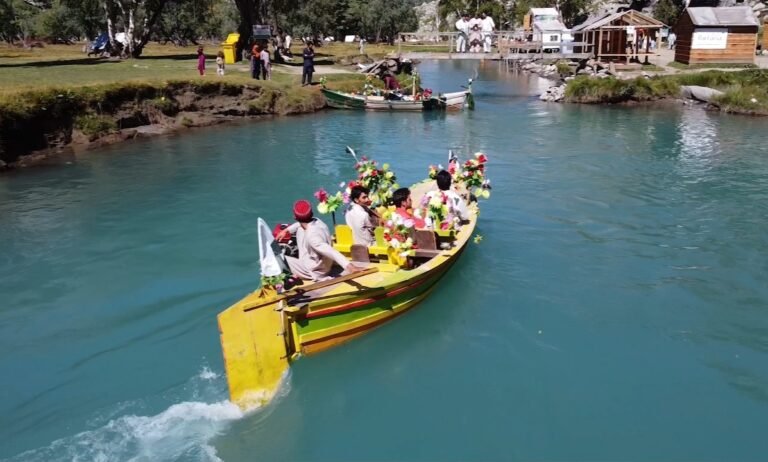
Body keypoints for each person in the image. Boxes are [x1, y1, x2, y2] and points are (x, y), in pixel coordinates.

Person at [277, 200, 364, 281]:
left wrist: (350, 267)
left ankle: (286, 280)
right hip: (322, 262)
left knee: (277, 256)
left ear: (295, 217)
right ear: (311, 213)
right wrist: (286, 230)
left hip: (314, 270)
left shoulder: (312, 237)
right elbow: (299, 224)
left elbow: (331, 252)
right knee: (300, 229)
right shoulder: (317, 221)